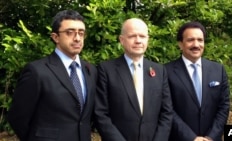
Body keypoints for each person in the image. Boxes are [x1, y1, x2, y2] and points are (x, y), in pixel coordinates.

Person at [7, 10, 97, 141]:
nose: (77, 38)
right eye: (70, 32)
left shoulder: (90, 70)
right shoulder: (37, 71)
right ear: (55, 37)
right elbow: (17, 116)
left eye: (81, 33)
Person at [94, 18, 173, 141]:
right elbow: (100, 114)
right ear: (122, 40)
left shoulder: (159, 71)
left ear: (147, 39)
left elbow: (167, 112)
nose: (138, 41)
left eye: (142, 36)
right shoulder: (106, 70)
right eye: (132, 36)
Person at [165, 21, 230, 141]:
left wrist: (211, 137)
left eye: (200, 40)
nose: (196, 44)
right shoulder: (166, 72)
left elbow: (224, 107)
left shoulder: (218, 70)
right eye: (190, 40)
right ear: (180, 44)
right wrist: (191, 138)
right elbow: (168, 109)